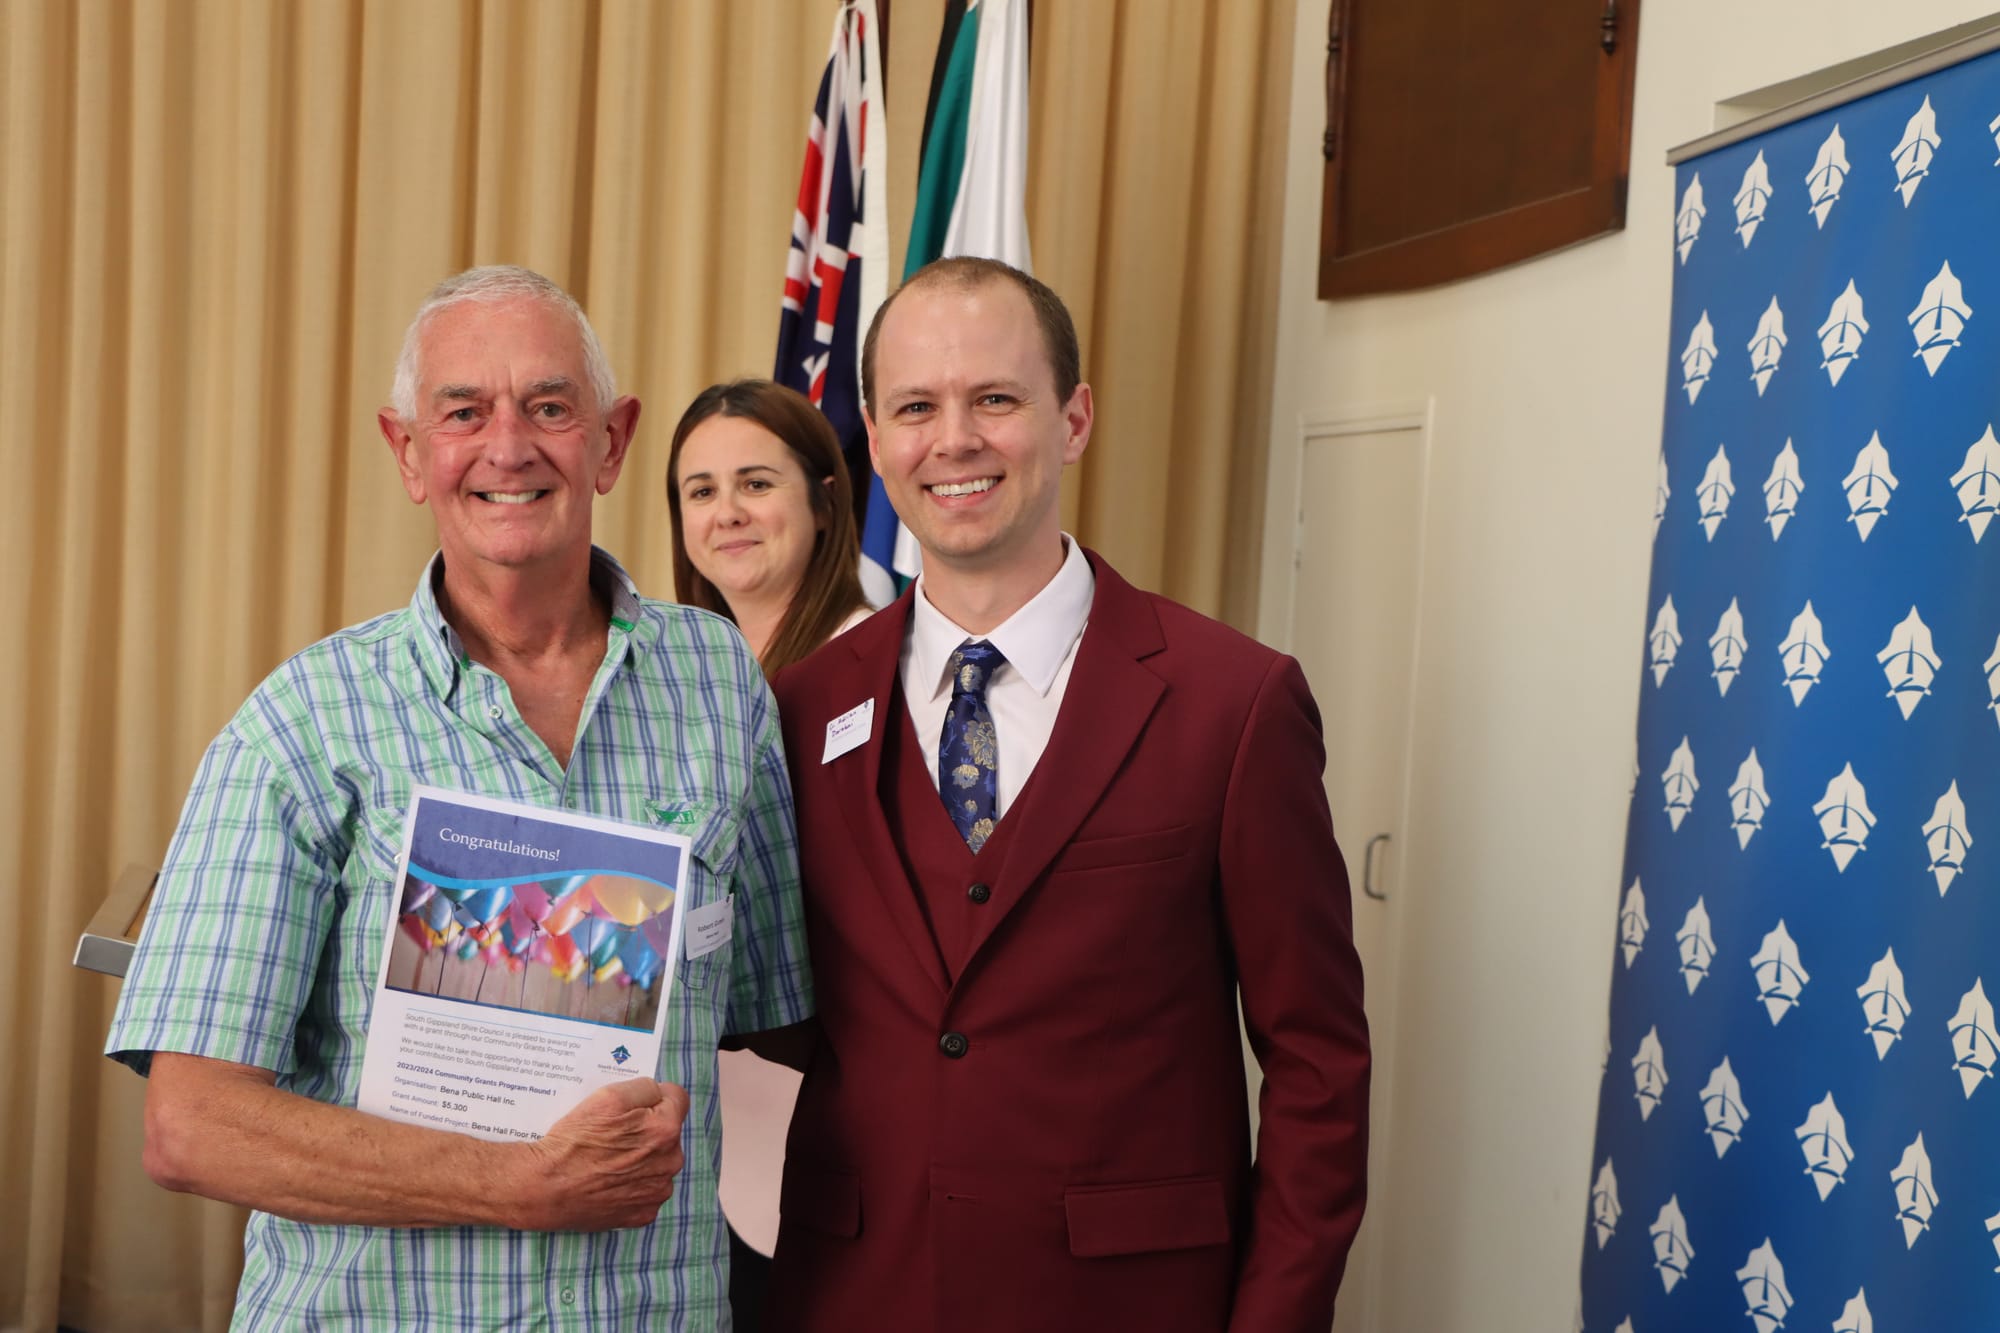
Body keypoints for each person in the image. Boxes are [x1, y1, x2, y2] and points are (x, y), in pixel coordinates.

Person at [104, 266, 814, 1331]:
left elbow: (776, 1023)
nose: (508, 445)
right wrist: (517, 1184)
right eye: (463, 412)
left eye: (548, 406)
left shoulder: (720, 687)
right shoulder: (302, 724)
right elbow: (194, 1126)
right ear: (407, 452)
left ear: (612, 441)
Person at [765, 257, 1371, 1333]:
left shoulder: (1234, 705)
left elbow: (1318, 1064)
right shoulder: (798, 707)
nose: (952, 439)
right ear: (873, 431)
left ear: (1073, 417)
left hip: (1131, 1301)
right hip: (853, 1294)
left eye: (994, 398)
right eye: (915, 406)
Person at [663, 379, 871, 1330]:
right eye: (699, 491)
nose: (727, 513)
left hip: (837, 1104)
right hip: (695, 1114)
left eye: (755, 482)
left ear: (827, 503)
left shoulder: (882, 664)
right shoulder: (670, 672)